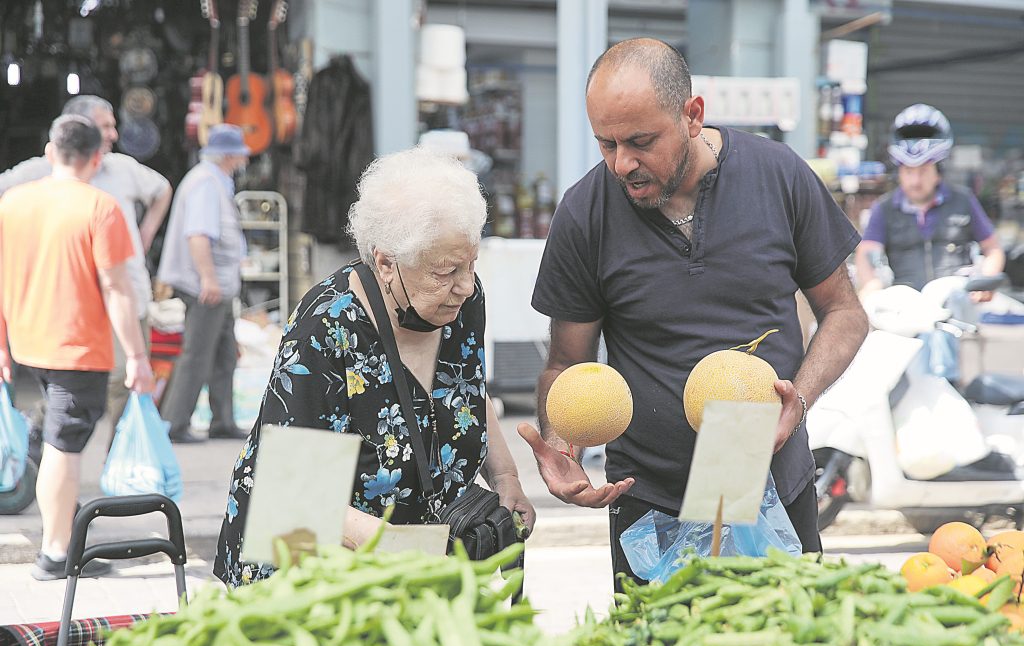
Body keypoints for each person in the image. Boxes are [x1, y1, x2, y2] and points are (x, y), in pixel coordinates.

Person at [518, 38, 868, 587]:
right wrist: (564, 444)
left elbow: (845, 313)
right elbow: (567, 364)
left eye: (639, 141)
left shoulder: (779, 177)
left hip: (773, 488)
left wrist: (797, 399)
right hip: (648, 503)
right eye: (605, 144)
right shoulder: (586, 211)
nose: (621, 164)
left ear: (692, 115)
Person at [214, 147, 535, 586]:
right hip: (312, 561)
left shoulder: (463, 300)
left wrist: (506, 477)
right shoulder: (328, 325)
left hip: (416, 563)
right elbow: (294, 496)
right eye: (445, 271)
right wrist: (405, 553)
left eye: (470, 264)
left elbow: (467, 391)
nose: (463, 285)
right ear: (385, 262)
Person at [0, 115, 155, 580]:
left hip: (29, 341)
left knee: (59, 441)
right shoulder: (101, 207)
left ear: (50, 152)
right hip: (76, 348)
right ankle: (55, 554)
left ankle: (63, 515)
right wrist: (138, 356)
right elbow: (117, 290)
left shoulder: (13, 202)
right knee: (63, 448)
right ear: (97, 158)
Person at [0, 95, 172, 445]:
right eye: (105, 125)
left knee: (124, 382)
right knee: (66, 391)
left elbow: (162, 189)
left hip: (125, 297)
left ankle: (119, 467)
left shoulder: (123, 169)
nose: (113, 133)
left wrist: (145, 232)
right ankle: (45, 449)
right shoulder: (40, 172)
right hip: (67, 306)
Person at [156, 125, 249, 444]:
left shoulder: (214, 181)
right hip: (206, 286)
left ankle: (223, 420)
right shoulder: (206, 183)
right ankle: (174, 423)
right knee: (197, 354)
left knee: (224, 354)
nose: (243, 158)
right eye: (239, 153)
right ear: (229, 155)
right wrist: (207, 278)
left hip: (219, 285)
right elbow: (198, 235)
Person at [855, 104, 1005, 300]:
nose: (915, 181)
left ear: (938, 170)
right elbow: (866, 252)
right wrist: (871, 286)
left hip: (956, 307)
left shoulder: (964, 201)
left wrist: (986, 278)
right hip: (904, 310)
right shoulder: (884, 209)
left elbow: (993, 248)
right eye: (908, 171)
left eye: (924, 171)